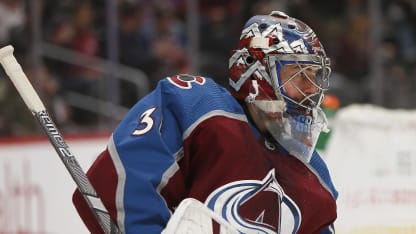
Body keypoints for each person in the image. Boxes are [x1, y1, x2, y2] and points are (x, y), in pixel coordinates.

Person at [73, 10, 338, 233]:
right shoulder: (199, 109)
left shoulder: (314, 175)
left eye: (315, 76)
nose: (312, 89)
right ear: (253, 70)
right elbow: (117, 185)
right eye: (298, 74)